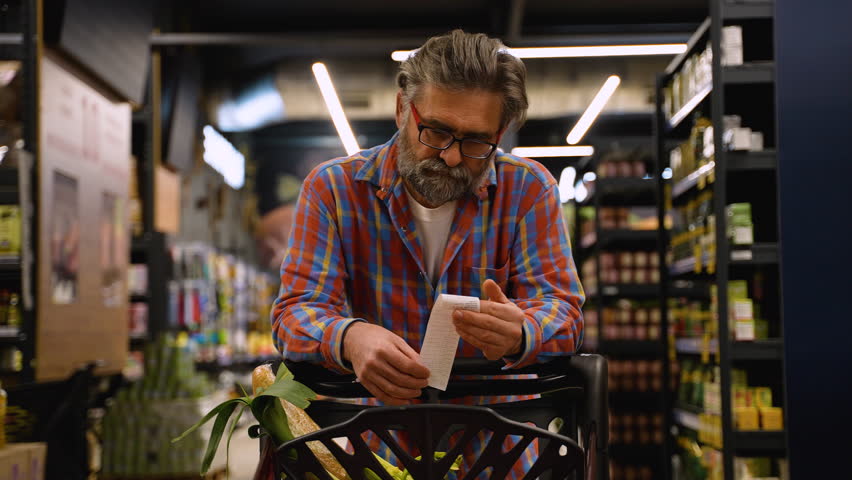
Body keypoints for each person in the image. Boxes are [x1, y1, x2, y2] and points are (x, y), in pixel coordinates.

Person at [271, 29, 585, 478]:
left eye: (477, 142)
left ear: (500, 133)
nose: (453, 157)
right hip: (377, 451)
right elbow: (295, 314)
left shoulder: (528, 191)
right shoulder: (335, 190)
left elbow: (566, 315)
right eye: (436, 132)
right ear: (403, 108)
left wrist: (523, 330)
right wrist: (351, 338)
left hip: (503, 454)